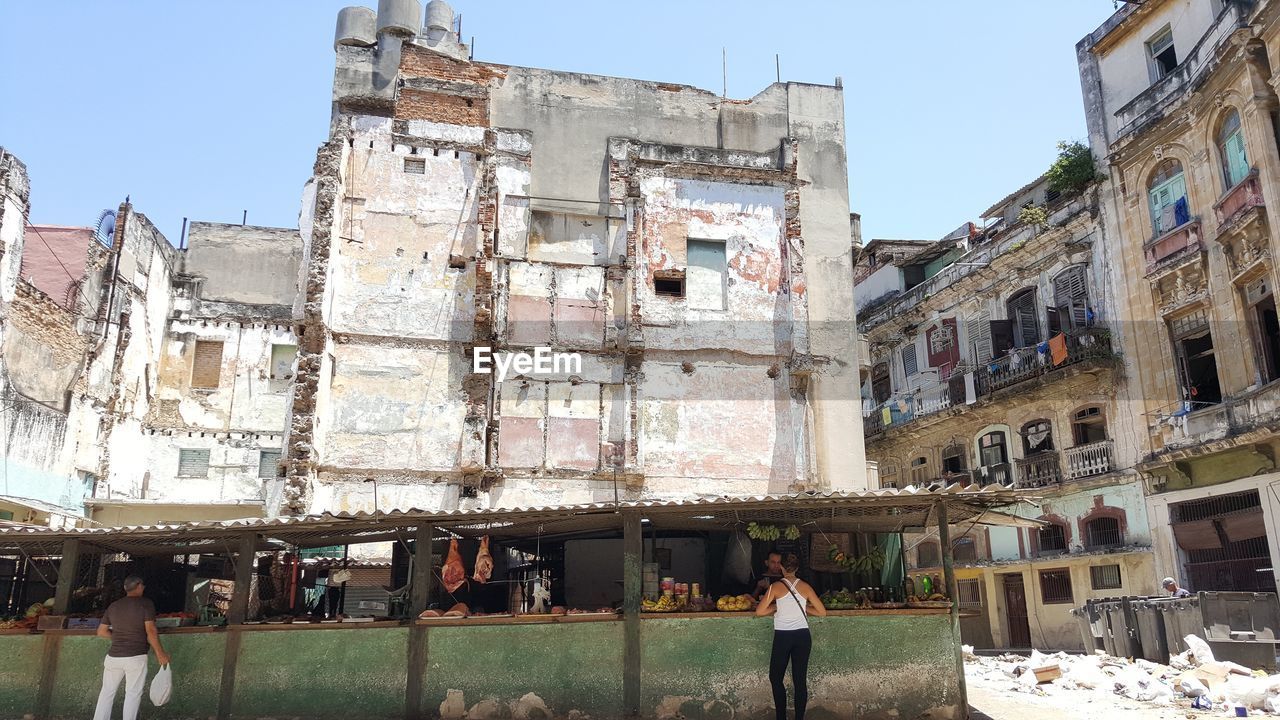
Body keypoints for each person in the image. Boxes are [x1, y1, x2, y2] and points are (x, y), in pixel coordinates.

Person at [755, 553, 826, 720]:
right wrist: (804, 607)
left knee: (775, 677)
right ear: (797, 568)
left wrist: (775, 608)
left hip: (783, 637)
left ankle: (781, 717)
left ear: (781, 567)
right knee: (799, 681)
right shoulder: (806, 587)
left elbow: (759, 612)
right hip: (803, 636)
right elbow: (822, 612)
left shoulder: (775, 587)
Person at [94, 576, 170, 720]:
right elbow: (151, 630)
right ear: (139, 586)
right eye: (143, 585)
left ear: (125, 588)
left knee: (107, 693)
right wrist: (160, 653)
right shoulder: (145, 604)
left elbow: (101, 632)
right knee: (133, 694)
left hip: (113, 658)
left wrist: (118, 638)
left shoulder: (114, 606)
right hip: (135, 657)